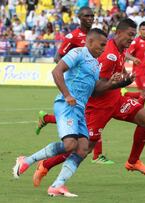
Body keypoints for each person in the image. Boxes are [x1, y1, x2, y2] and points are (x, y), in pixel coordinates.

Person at [31, 19, 145, 189]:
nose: (132, 39)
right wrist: (119, 84)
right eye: (130, 35)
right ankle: (46, 165)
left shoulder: (121, 50)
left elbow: (116, 79)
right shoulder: (108, 53)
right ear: (118, 33)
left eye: (134, 35)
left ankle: (133, 161)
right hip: (98, 108)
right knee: (83, 148)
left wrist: (128, 84)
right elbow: (96, 89)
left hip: (116, 100)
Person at [12, 28, 134, 197]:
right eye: (101, 45)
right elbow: (56, 71)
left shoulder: (94, 64)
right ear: (90, 42)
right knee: (70, 144)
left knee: (83, 149)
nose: (103, 49)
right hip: (66, 104)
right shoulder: (77, 52)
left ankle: (57, 185)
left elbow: (96, 91)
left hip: (80, 109)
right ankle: (26, 160)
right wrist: (67, 95)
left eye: (105, 45)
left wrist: (115, 84)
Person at [35, 7, 115, 166]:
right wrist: (71, 73)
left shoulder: (97, 36)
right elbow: (59, 57)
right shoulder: (72, 37)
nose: (90, 18)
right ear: (79, 17)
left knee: (90, 118)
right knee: (91, 120)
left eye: (92, 15)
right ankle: (96, 154)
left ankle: (46, 119)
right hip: (75, 86)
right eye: (86, 16)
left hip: (90, 83)